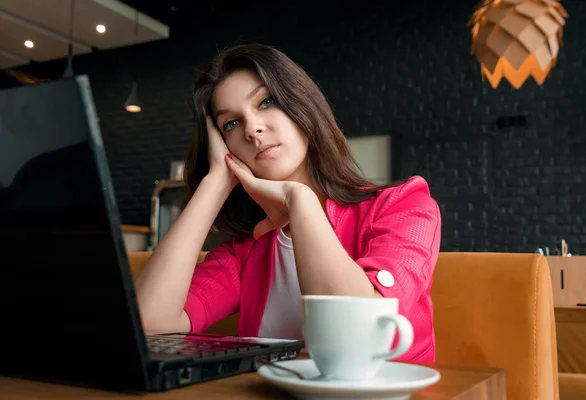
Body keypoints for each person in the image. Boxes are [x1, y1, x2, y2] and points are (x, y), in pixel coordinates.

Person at [134, 43, 441, 363]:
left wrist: (301, 200)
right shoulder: (246, 250)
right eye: (231, 124)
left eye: (266, 101)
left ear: (301, 106)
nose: (252, 129)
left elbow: (359, 335)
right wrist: (215, 183)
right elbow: (149, 325)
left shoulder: (403, 206)